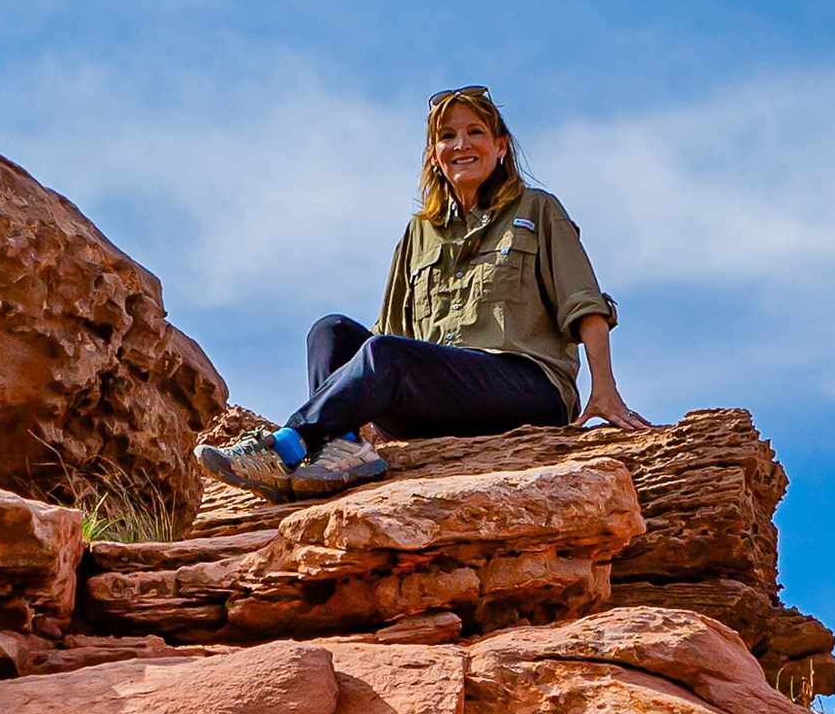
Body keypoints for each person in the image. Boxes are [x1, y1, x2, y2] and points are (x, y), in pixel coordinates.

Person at [196, 85, 649, 502]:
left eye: (475, 132)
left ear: (501, 146)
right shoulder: (419, 233)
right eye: (447, 136)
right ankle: (343, 449)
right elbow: (386, 337)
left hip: (525, 388)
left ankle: (290, 442)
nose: (461, 145)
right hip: (441, 394)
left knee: (386, 355)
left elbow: (584, 303)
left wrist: (605, 390)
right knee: (329, 332)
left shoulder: (537, 209)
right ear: (435, 155)